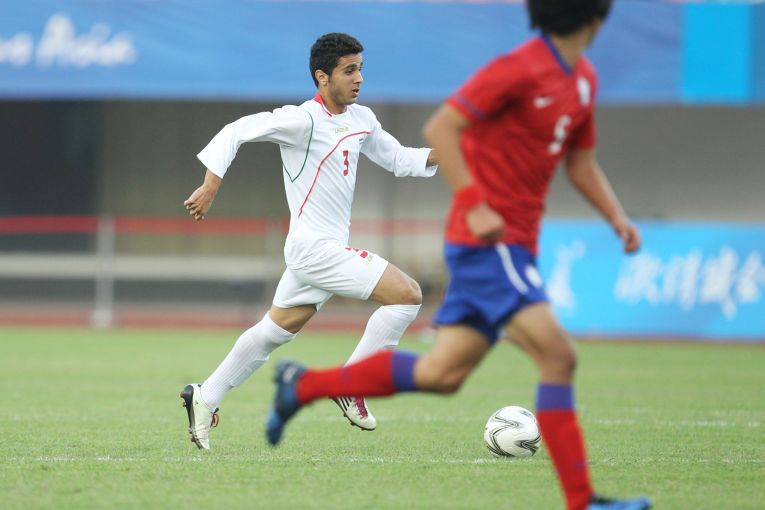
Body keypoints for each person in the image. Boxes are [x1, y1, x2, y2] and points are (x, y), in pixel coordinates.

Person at [265, 2, 651, 509]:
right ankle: (584, 501)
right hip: (489, 242)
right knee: (558, 355)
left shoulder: (583, 81)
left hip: (514, 242)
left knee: (442, 375)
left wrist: (617, 218)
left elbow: (580, 163)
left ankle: (304, 386)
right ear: (595, 18)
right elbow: (442, 129)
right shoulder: (517, 69)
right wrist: (474, 202)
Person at [180, 32, 438, 450]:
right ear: (322, 77)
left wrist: (453, 149)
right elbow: (236, 130)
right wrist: (211, 184)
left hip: (317, 251)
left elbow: (399, 158)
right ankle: (351, 384)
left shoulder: (362, 119)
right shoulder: (302, 120)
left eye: (360, 69)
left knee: (275, 331)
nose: (359, 79)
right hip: (315, 249)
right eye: (349, 71)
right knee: (407, 295)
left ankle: (205, 395)